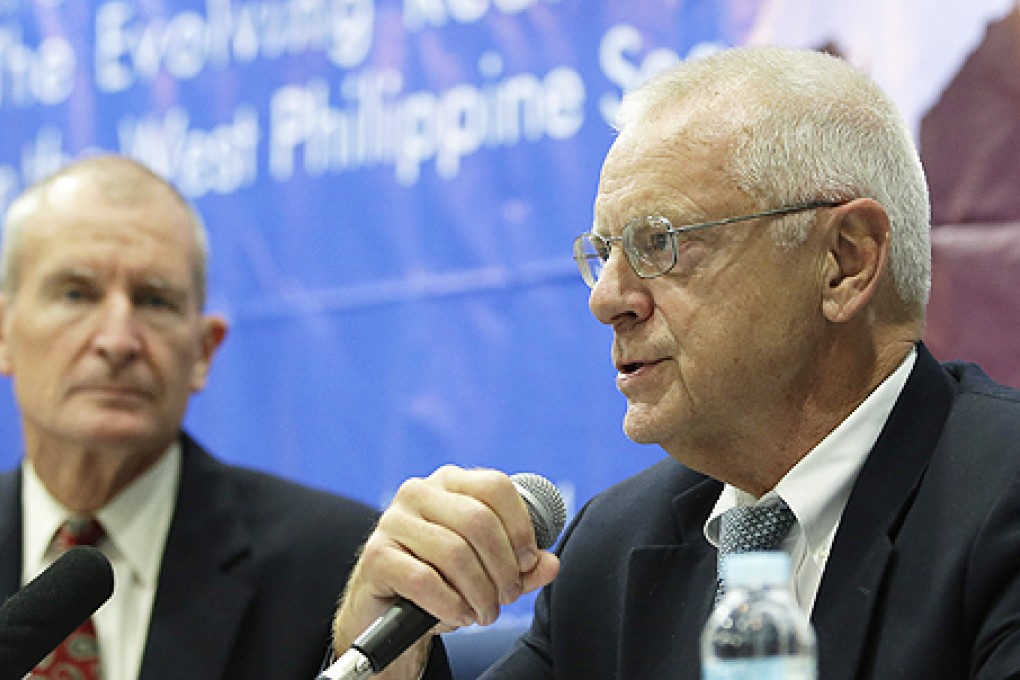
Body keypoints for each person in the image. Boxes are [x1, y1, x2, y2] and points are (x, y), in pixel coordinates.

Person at [327, 45, 1020, 680]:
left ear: (844, 262)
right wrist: (384, 657)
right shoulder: (616, 547)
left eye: (659, 243)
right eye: (604, 253)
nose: (607, 300)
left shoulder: (1000, 499)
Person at [0, 154, 379, 680]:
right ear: (4, 332)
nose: (116, 341)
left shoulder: (335, 569)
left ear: (203, 351)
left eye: (154, 300)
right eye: (75, 293)